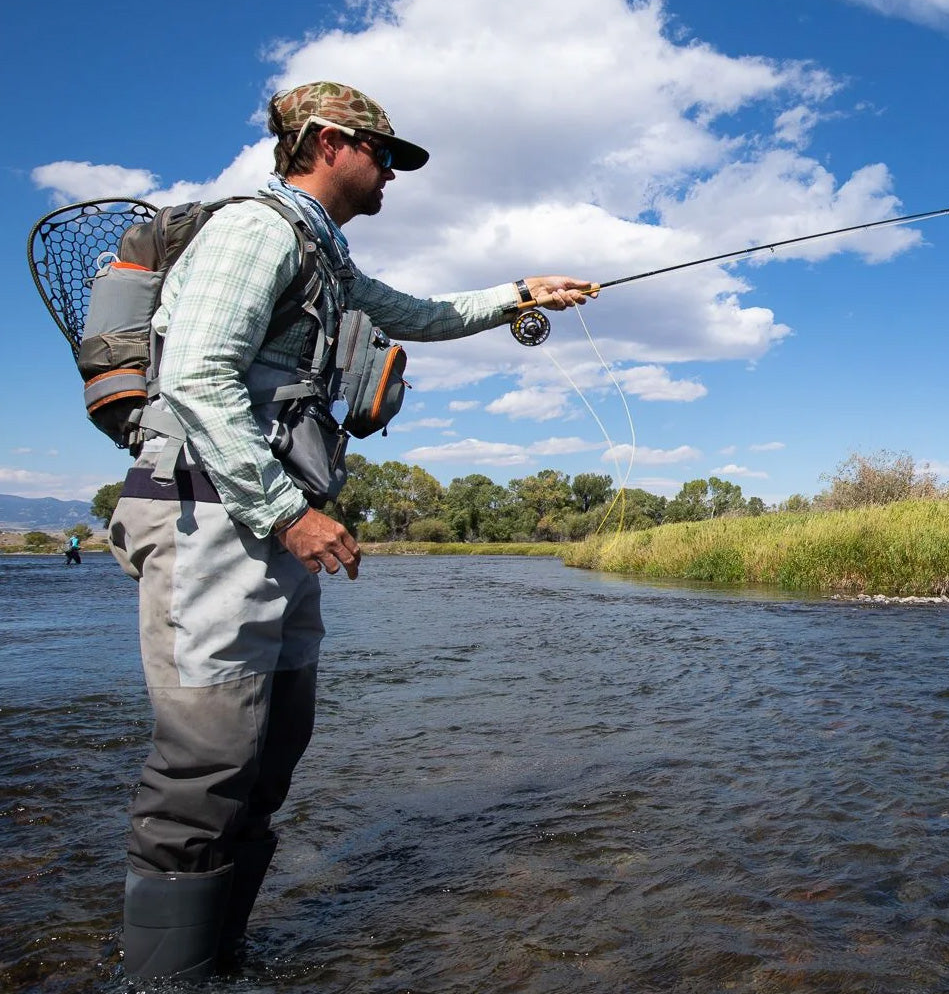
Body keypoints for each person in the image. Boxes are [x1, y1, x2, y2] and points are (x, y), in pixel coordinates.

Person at [107, 79, 595, 980]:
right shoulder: (257, 229)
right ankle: (157, 979)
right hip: (214, 514)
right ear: (329, 142)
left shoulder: (323, 256)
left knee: (271, 750)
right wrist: (292, 515)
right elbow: (202, 378)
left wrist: (527, 290)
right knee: (206, 764)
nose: (392, 176)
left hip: (261, 524)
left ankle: (220, 959)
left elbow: (421, 316)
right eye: (384, 155)